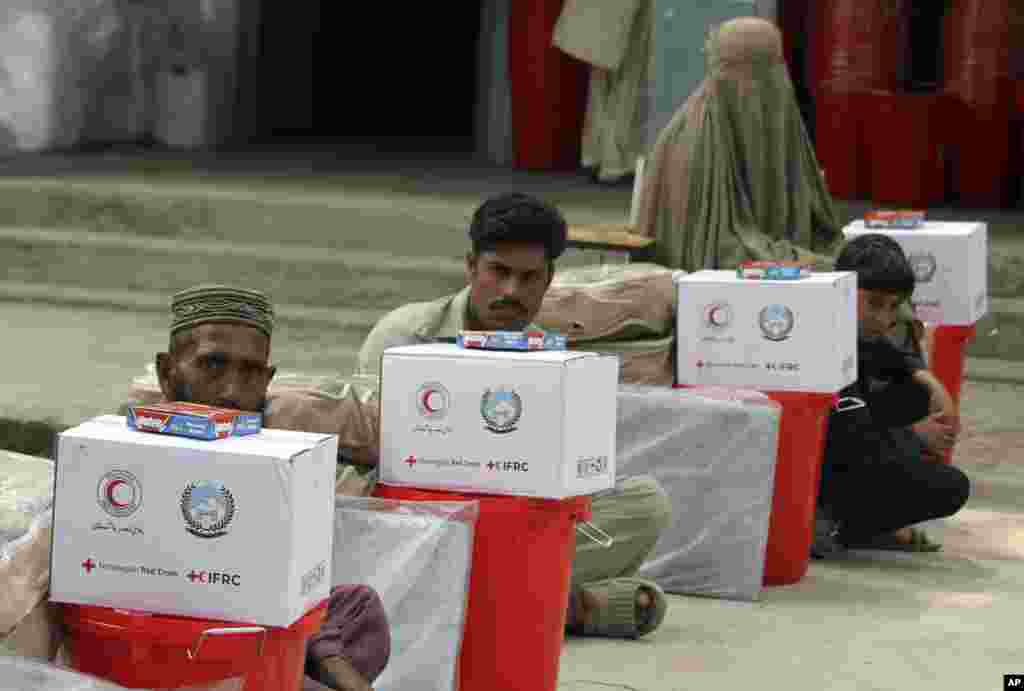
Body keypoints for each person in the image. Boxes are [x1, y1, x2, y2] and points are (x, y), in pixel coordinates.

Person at [357, 192, 671, 639]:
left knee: (645, 503)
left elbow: (577, 480)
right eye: (498, 272)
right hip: (424, 523)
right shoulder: (404, 336)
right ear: (471, 267)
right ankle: (565, 605)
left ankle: (480, 600)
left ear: (549, 280)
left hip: (514, 524)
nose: (511, 292)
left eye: (528, 278)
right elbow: (364, 464)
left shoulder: (553, 360)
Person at [154, 285, 390, 691]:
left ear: (268, 380)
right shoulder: (123, 458)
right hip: (159, 651)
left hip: (267, 644)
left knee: (358, 606)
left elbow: (288, 591)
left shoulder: (277, 457)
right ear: (166, 372)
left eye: (249, 372)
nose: (230, 391)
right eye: (212, 365)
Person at [634, 16, 842, 272]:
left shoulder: (782, 125)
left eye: (773, 70)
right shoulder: (687, 141)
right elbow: (720, 256)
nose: (764, 87)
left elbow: (819, 224)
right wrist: (818, 263)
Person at [814, 235, 970, 556]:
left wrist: (931, 382)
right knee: (949, 486)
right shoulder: (821, 334)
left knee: (912, 394)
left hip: (848, 447)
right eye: (873, 303)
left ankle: (852, 520)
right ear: (842, 288)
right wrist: (915, 437)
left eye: (892, 306)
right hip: (820, 463)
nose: (884, 319)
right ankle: (832, 523)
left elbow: (880, 355)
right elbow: (854, 438)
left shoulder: (859, 331)